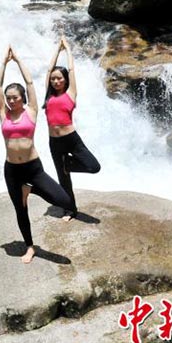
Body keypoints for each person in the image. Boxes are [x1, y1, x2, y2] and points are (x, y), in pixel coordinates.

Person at [0, 46, 75, 264]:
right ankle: (29, 246)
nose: (11, 101)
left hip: (33, 167)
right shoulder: (4, 114)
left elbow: (30, 83)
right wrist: (3, 62)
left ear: (22, 98)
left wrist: (18, 60)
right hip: (12, 169)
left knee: (63, 200)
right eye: (8, 98)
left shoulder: (31, 111)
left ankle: (30, 188)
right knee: (20, 210)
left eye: (15, 98)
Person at [45, 36, 101, 221]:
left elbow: (71, 69)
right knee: (63, 179)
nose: (55, 81)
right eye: (53, 79)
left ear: (65, 80)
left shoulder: (71, 93)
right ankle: (70, 210)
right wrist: (56, 50)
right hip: (54, 142)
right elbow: (48, 70)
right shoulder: (49, 96)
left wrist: (67, 49)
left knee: (93, 166)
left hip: (71, 139)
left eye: (59, 78)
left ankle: (68, 164)